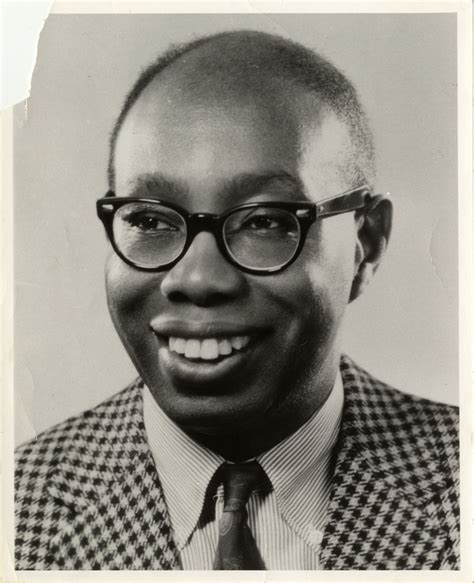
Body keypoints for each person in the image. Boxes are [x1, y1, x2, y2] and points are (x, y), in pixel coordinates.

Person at [14, 30, 459, 570]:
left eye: (266, 221)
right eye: (150, 220)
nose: (197, 279)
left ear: (366, 243)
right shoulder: (18, 513)